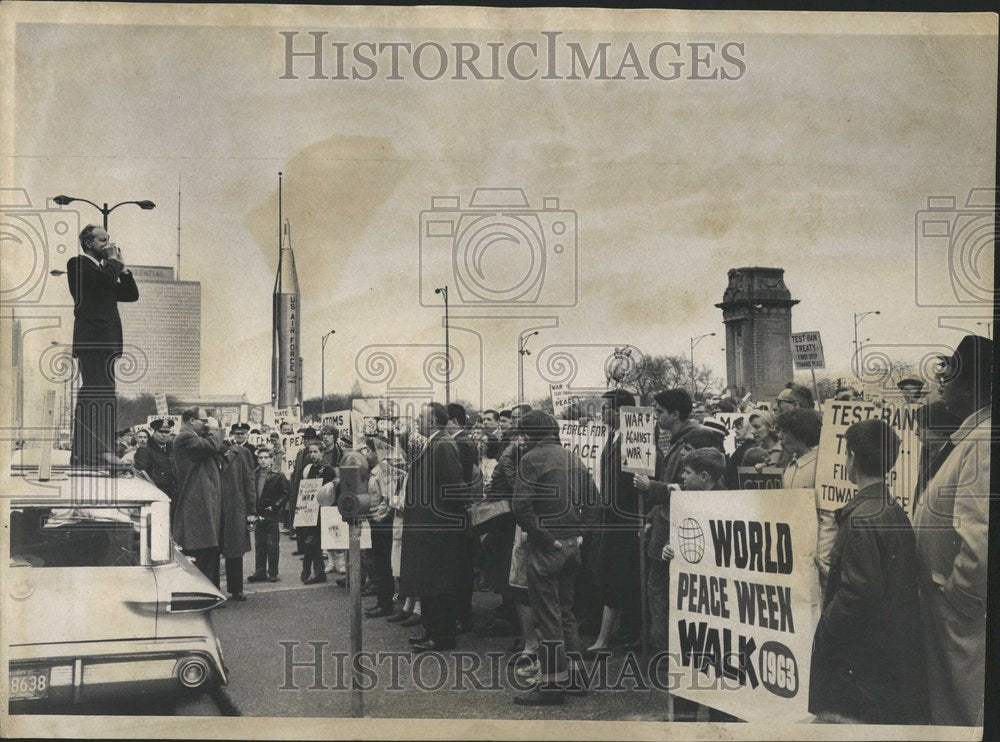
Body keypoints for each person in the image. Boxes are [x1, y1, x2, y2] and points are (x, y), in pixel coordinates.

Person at [809, 419, 927, 724]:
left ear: (851, 458)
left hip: (864, 662)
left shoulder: (861, 516)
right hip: (887, 654)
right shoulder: (890, 506)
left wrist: (826, 629)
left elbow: (860, 593)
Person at [913, 335, 991, 726]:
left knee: (965, 713)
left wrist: (957, 596)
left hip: (962, 617)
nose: (943, 385)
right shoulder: (975, 434)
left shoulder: (985, 438)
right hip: (956, 610)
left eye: (950, 378)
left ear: (971, 386)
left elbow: (982, 536)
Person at [510, 410, 601, 705]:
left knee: (547, 618)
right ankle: (575, 678)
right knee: (566, 613)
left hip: (547, 548)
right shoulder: (573, 457)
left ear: (530, 434)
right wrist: (579, 535)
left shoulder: (530, 459)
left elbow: (521, 508)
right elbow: (595, 503)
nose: (520, 440)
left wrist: (547, 539)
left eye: (523, 434)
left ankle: (551, 686)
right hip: (571, 547)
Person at [634, 389, 717, 654]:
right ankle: (662, 645)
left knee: (663, 590)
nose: (656, 417)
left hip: (678, 527)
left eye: (659, 412)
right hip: (664, 521)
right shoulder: (678, 440)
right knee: (657, 589)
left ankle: (667, 650)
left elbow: (686, 487)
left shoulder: (692, 442)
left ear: (675, 414)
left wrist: (652, 488)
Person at [66, 225, 140, 468]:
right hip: (93, 341)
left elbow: (130, 294)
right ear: (88, 244)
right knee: (98, 394)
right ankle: (96, 450)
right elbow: (103, 280)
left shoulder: (102, 272)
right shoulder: (78, 265)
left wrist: (124, 267)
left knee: (102, 394)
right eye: (102, 240)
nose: (108, 244)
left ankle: (89, 451)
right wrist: (113, 262)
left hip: (105, 342)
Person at [399, 402, 466, 652]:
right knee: (428, 582)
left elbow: (453, 489)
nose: (417, 420)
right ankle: (431, 630)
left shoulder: (444, 445)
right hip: (426, 528)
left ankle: (442, 636)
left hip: (437, 530)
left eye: (421, 417)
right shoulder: (433, 443)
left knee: (439, 585)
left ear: (434, 420)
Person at [586, 389, 643, 653]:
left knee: (621, 575)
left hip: (625, 520)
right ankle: (621, 632)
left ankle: (619, 635)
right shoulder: (612, 436)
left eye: (607, 408)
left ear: (621, 411)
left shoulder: (635, 440)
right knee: (610, 573)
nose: (602, 413)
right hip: (609, 517)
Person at [774, 408, 835, 587]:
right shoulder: (791, 466)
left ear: (799, 432)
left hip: (812, 559)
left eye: (783, 431)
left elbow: (828, 518)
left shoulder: (820, 466)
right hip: (793, 552)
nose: (780, 437)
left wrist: (820, 560)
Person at [171, 407, 225, 585]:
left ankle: (210, 589)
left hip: (202, 500)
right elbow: (211, 446)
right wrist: (216, 428)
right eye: (203, 420)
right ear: (191, 421)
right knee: (203, 547)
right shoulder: (186, 437)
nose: (206, 424)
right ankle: (205, 590)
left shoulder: (193, 437)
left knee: (208, 547)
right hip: (196, 502)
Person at [447, 402, 481, 634]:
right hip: (461, 510)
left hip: (461, 511)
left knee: (461, 567)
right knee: (458, 566)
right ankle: (460, 614)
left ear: (454, 421)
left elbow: (461, 479)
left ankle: (463, 616)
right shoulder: (459, 442)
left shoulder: (462, 443)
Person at [364, 435, 401, 618]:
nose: (367, 454)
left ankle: (385, 603)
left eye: (369, 450)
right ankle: (382, 600)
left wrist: (377, 517)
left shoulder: (384, 470)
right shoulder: (377, 469)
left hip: (383, 522)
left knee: (383, 564)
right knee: (380, 563)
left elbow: (388, 499)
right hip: (377, 520)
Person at [218, 437, 257, 601]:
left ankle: (236, 589)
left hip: (235, 508)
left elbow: (249, 481)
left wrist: (251, 509)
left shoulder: (240, 453)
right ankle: (214, 591)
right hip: (215, 509)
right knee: (213, 551)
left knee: (234, 550)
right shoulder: (205, 453)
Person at [296, 443, 336, 584]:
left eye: (315, 451)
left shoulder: (328, 470)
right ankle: (317, 571)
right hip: (309, 509)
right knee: (311, 541)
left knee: (314, 541)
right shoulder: (308, 469)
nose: (312, 454)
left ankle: (309, 568)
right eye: (310, 452)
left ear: (322, 452)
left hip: (321, 511)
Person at [248, 448, 289, 583]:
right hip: (258, 512)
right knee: (259, 544)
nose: (263, 460)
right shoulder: (254, 474)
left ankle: (273, 572)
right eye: (260, 458)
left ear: (271, 459)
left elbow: (285, 493)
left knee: (272, 544)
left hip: (271, 513)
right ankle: (260, 571)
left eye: (266, 457)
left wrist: (276, 506)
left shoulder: (278, 475)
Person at [912, 400, 963, 509]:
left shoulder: (954, 459)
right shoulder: (930, 453)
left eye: (921, 426)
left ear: (939, 430)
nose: (916, 432)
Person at [134, 418, 179, 514]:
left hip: (173, 492)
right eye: (160, 431)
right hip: (156, 493)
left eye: (167, 432)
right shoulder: (145, 450)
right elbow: (140, 472)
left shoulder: (171, 449)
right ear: (154, 432)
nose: (163, 434)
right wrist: (156, 490)